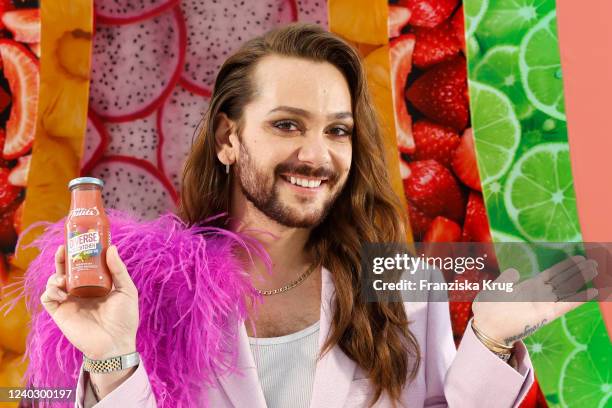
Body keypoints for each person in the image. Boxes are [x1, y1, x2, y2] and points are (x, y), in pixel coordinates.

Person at [39, 23, 598, 408]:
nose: (317, 154)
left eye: (337, 130)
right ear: (228, 138)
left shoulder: (404, 281)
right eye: (287, 124)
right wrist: (113, 360)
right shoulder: (143, 289)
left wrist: (492, 338)